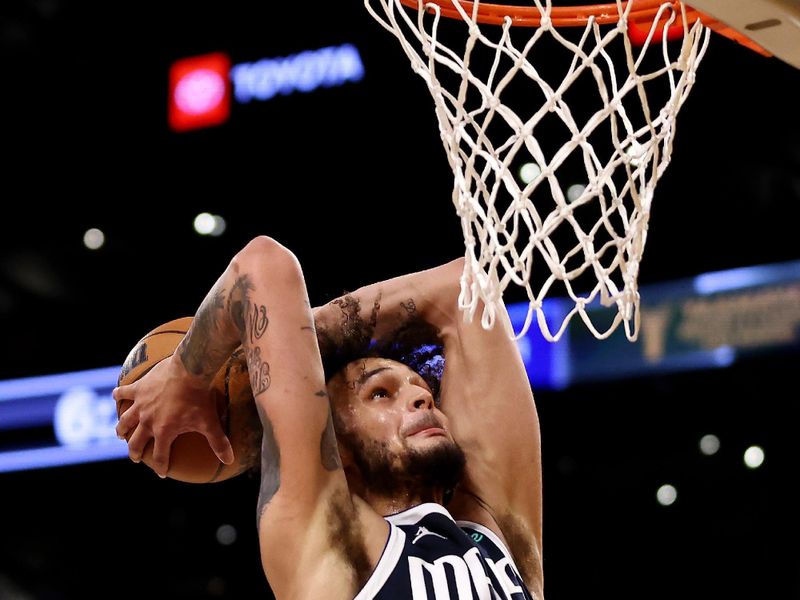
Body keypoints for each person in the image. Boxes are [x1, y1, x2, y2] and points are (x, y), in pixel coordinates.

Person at [114, 235, 544, 599]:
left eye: (424, 389)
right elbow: (263, 265)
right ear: (336, 446)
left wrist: (215, 364)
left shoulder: (498, 538)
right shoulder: (329, 541)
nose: (421, 399)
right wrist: (193, 371)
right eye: (380, 393)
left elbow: (466, 289)